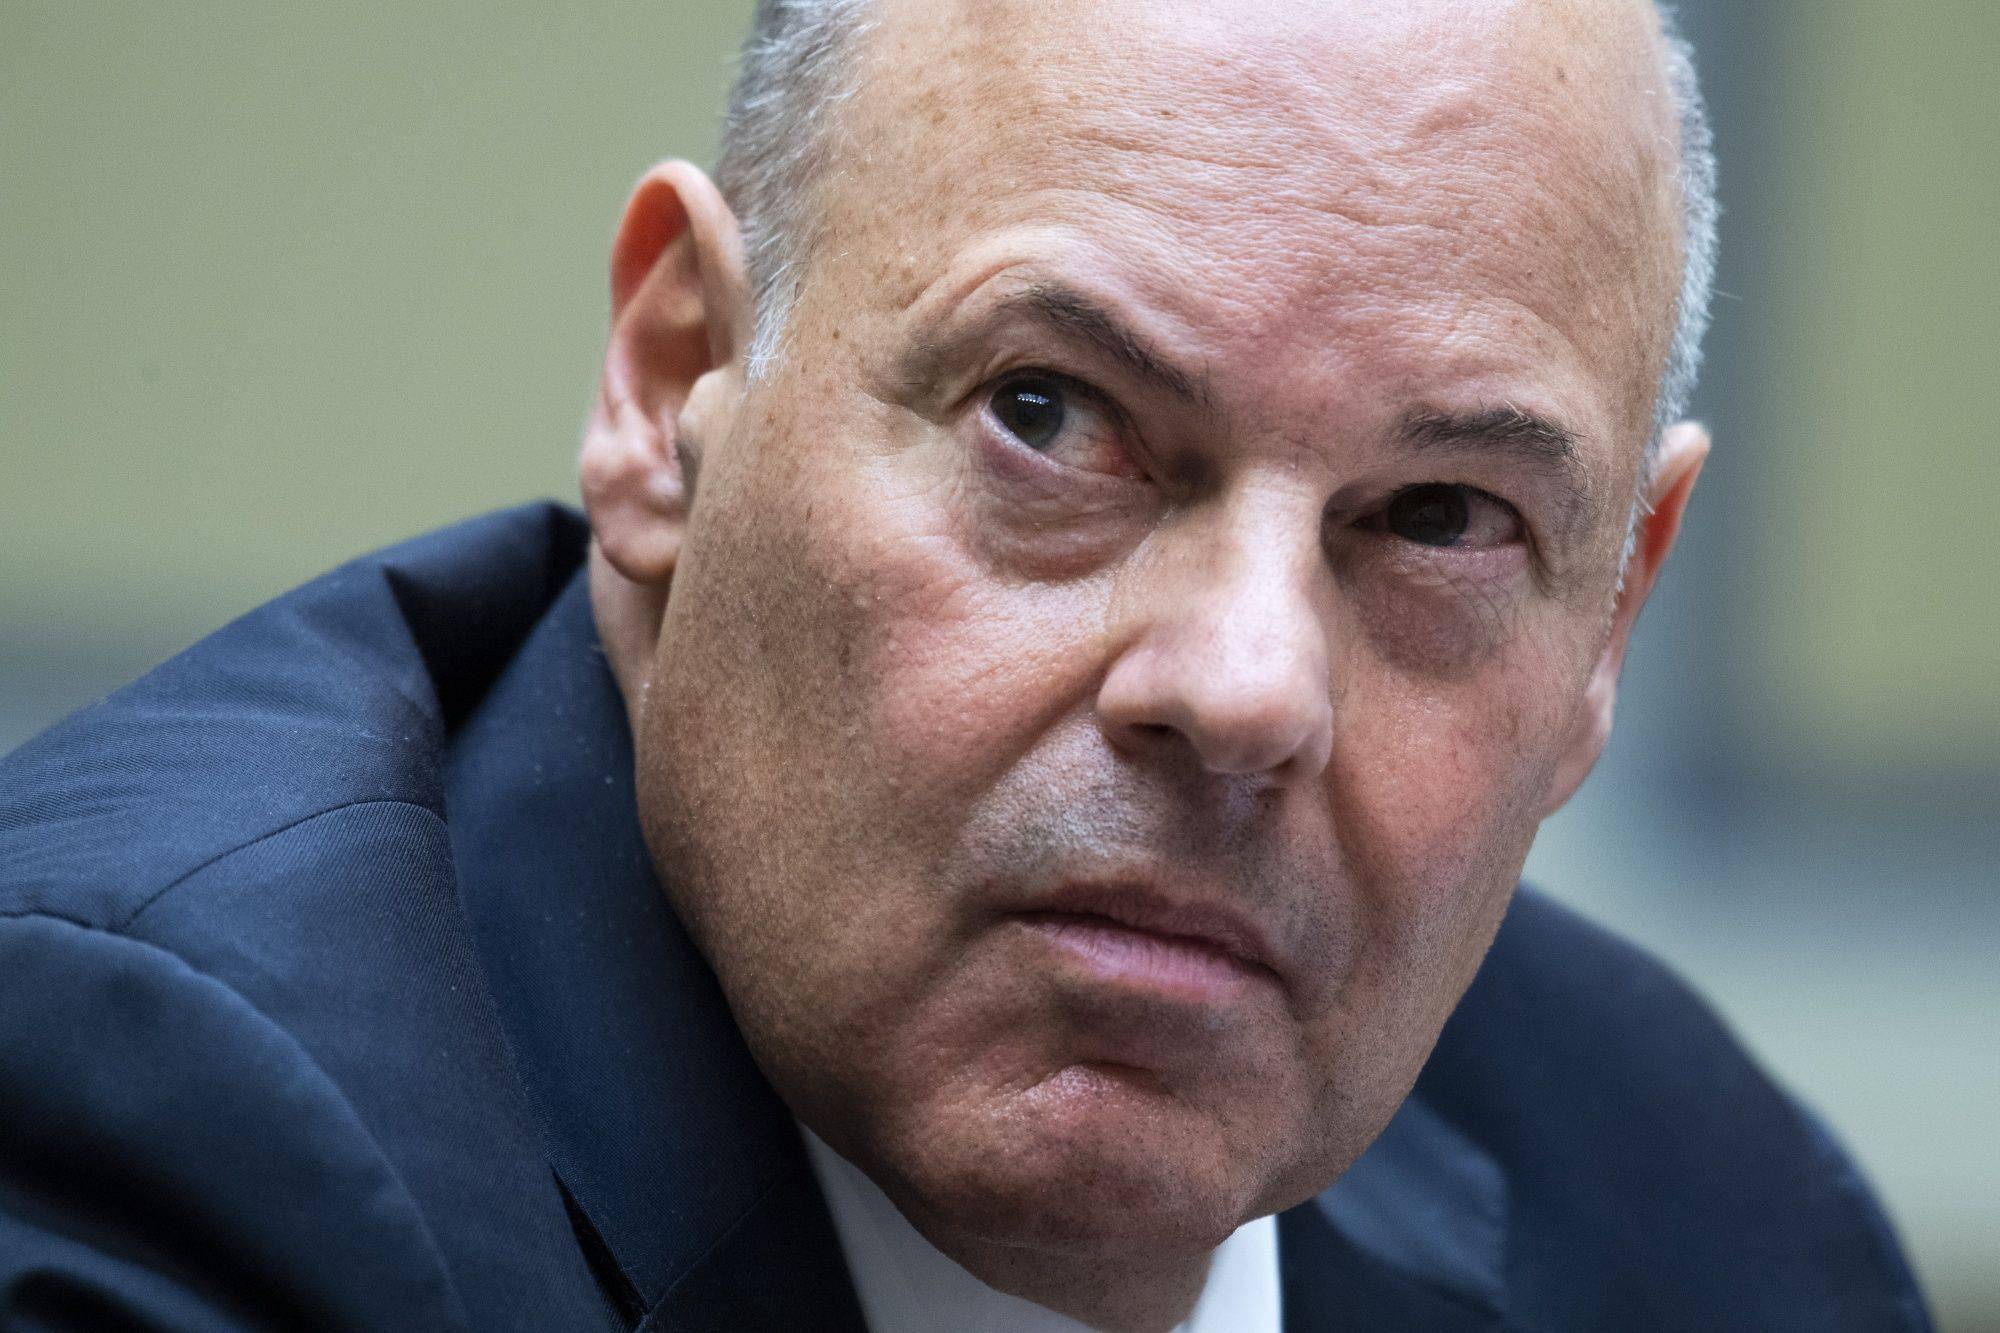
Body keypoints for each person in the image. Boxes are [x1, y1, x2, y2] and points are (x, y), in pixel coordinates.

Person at [0, 0, 1933, 1328]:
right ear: (679, 375)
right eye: (1052, 413)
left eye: (1437, 520)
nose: (1249, 686)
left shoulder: (1716, 1229)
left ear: (1611, 618)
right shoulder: (166, 1145)